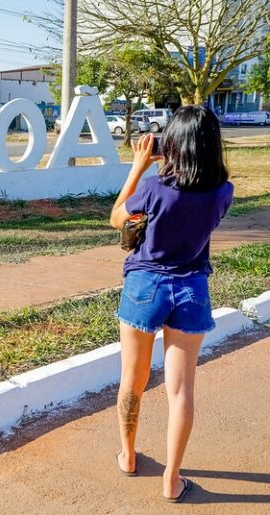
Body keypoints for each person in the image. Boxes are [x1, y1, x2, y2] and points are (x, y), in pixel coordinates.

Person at [109, 105, 233, 503]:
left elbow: (116, 219)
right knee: (181, 390)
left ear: (173, 144)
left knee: (134, 379)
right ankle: (172, 479)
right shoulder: (223, 191)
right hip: (192, 288)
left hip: (145, 284)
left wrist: (140, 165)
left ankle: (128, 456)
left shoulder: (153, 188)